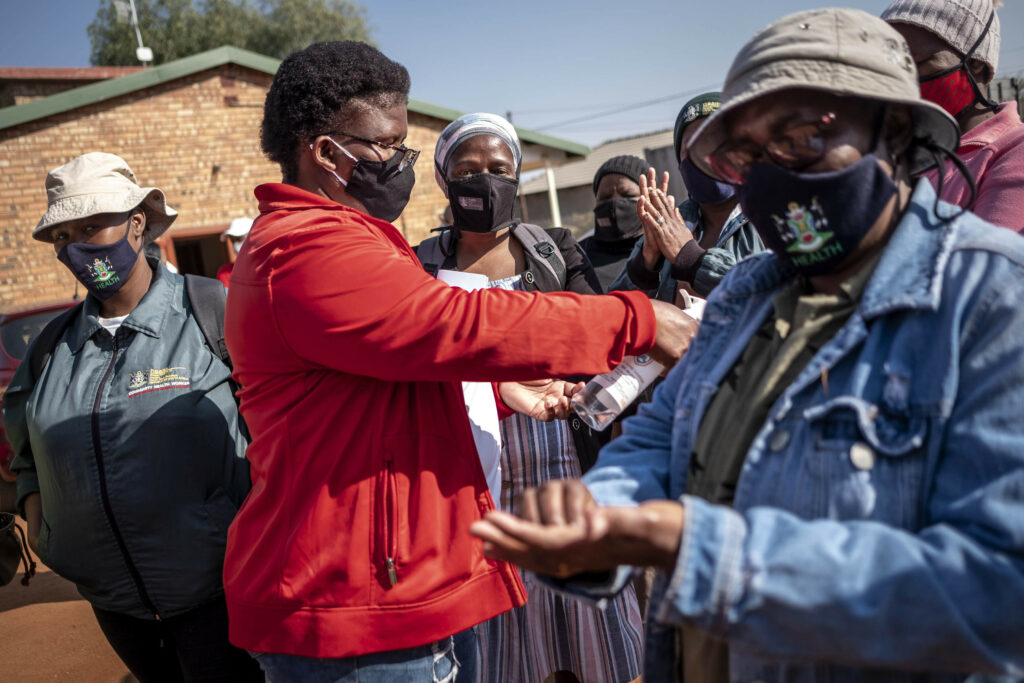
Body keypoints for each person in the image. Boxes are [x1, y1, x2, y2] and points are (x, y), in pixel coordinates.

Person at [471, 8, 1024, 681]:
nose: (773, 175)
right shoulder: (743, 293)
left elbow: (998, 588)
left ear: (896, 131)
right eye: (748, 155)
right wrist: (600, 512)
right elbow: (660, 434)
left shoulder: (992, 299)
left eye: (801, 138)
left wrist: (700, 549)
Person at [222, 41, 694, 682]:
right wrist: (639, 318)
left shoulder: (351, 240)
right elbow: (450, 324)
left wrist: (498, 392)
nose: (400, 164)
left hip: (396, 584)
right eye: (389, 146)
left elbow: (386, 377)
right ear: (328, 153)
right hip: (355, 609)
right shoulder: (307, 249)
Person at [4, 152, 260, 682]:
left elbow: (278, 432)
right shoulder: (51, 349)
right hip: (115, 604)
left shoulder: (213, 312)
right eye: (63, 237)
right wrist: (46, 525)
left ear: (137, 221)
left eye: (93, 226)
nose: (76, 246)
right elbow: (26, 451)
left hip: (223, 594)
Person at [417, 113, 644, 683]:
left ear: (517, 176)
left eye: (499, 169)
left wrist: (566, 385)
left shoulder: (554, 251)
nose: (485, 181)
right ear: (445, 180)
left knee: (589, 630)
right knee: (504, 643)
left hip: (565, 462)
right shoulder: (421, 265)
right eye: (467, 170)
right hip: (474, 478)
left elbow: (597, 341)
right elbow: (418, 365)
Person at [609, 92, 765, 302]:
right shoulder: (668, 224)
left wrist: (691, 259)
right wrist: (644, 267)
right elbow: (614, 309)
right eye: (692, 147)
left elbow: (779, 295)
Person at [883, 0, 1024, 232]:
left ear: (975, 62)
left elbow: (984, 262)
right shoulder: (899, 151)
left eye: (915, 64)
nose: (901, 81)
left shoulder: (1013, 152)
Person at [580, 155, 650, 292]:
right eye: (605, 197)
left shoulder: (666, 254)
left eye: (628, 195)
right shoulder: (577, 256)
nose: (615, 203)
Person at [216, 216, 254, 286]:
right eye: (232, 241)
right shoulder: (226, 272)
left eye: (239, 239)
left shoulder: (270, 266)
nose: (235, 245)